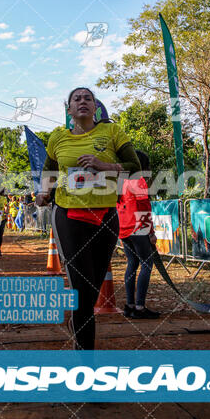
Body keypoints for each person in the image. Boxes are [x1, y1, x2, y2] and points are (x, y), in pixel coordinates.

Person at [36, 87, 141, 350]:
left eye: (88, 98)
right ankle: (85, 357)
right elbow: (49, 171)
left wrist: (106, 166)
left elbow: (136, 168)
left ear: (96, 107)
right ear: (69, 109)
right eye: (76, 99)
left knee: (92, 286)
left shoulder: (112, 132)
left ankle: (78, 321)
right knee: (82, 288)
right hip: (69, 216)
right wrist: (44, 192)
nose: (82, 102)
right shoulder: (58, 137)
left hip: (106, 216)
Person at [117, 150, 160, 319]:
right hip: (138, 227)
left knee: (132, 264)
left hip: (124, 228)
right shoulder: (139, 181)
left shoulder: (121, 181)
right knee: (146, 264)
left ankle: (129, 305)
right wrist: (150, 233)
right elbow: (144, 208)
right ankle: (140, 307)